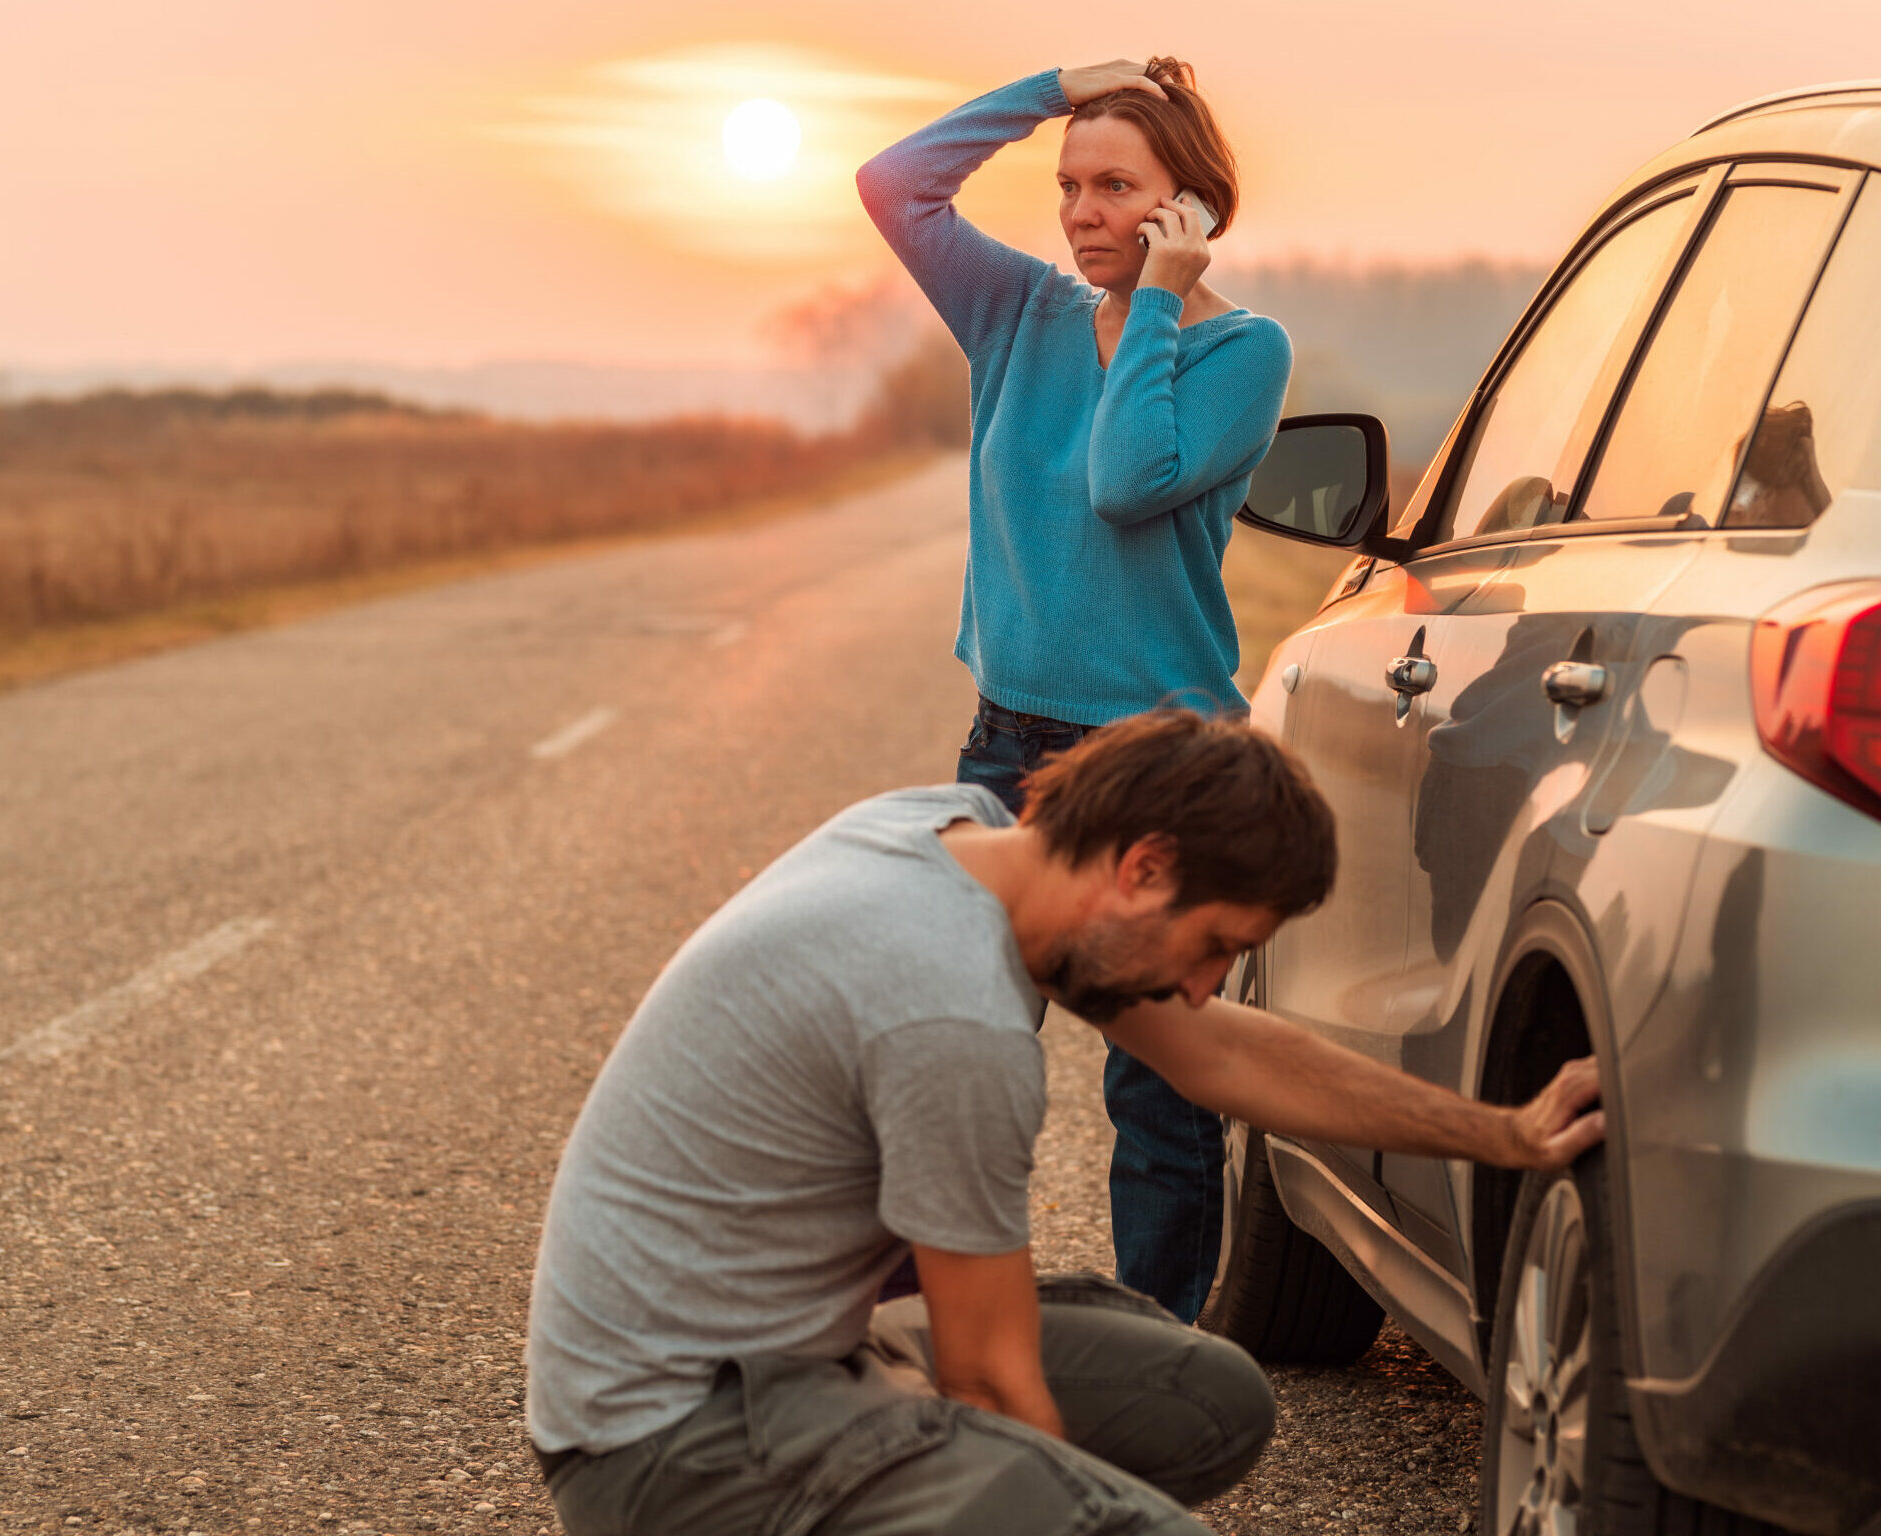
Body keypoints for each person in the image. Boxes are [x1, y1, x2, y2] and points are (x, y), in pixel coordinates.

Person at [525, 712, 1605, 1535]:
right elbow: (988, 1381)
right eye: (1215, 944)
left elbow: (1223, 1052)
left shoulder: (957, 840)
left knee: (1205, 1399)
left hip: (787, 1353)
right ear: (1142, 868)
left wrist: (1501, 1134)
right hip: (666, 1440)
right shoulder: (947, 1007)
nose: (1204, 985)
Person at [856, 58, 1295, 1322]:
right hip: (1011, 748)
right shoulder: (1015, 314)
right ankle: (905, 1327)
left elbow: (1123, 475)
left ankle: (1159, 1349)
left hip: (1159, 759)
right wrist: (1052, 89)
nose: (1082, 210)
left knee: (1155, 1092)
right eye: (1069, 185)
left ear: (1188, 208)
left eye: (1118, 187)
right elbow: (895, 186)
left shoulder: (1239, 352)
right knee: (943, 1047)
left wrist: (1156, 299)